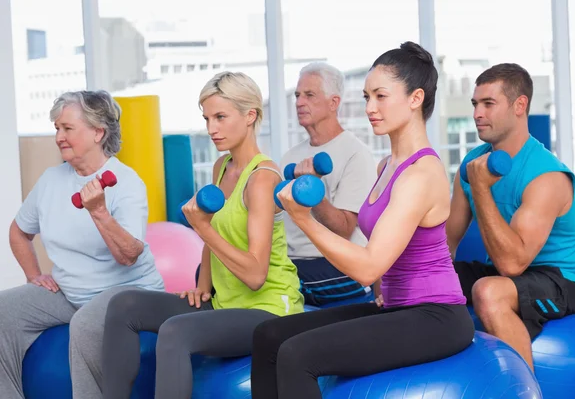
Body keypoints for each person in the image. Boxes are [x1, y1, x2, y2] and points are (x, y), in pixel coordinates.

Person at [251, 42, 475, 399]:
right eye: (367, 96)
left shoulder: (421, 174)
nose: (370, 108)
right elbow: (387, 252)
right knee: (268, 336)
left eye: (381, 96)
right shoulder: (386, 166)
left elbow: (368, 267)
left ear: (415, 98)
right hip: (396, 306)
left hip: (437, 317)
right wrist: (385, 284)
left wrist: (304, 218)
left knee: (297, 355)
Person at [101, 71, 304, 399]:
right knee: (124, 305)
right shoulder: (221, 167)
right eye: (207, 118)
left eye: (221, 117)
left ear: (250, 116)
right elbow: (214, 235)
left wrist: (202, 227)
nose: (212, 128)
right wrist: (202, 286)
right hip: (224, 303)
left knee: (176, 333)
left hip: (268, 310)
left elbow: (255, 274)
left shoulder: (262, 179)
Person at [0, 90, 165, 399]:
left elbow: (129, 255)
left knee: (85, 324)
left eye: (67, 128)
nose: (59, 136)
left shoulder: (127, 182)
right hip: (70, 293)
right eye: (57, 128)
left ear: (97, 132)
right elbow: (18, 231)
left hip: (128, 294)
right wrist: (33, 276)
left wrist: (99, 211)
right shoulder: (51, 180)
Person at [446, 63, 575, 370]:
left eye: (488, 104)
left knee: (488, 292)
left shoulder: (546, 175)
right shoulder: (472, 163)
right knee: (418, 274)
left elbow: (513, 264)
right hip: (502, 271)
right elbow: (446, 242)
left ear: (519, 105)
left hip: (559, 278)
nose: (476, 114)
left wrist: (482, 189)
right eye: (475, 104)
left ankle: (522, 391)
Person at [282, 62, 377, 306]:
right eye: (297, 95)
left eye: (309, 95)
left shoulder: (356, 154)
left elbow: (344, 228)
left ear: (333, 103)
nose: (299, 102)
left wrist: (312, 192)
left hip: (337, 265)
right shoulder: (290, 157)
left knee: (280, 280)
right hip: (294, 261)